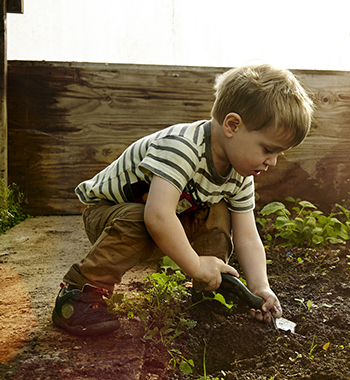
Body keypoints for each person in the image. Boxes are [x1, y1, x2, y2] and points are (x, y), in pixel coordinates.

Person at [51, 64, 314, 336]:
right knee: (141, 218)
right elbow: (157, 216)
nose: (272, 161)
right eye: (268, 149)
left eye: (279, 153)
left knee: (219, 211)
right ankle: (79, 292)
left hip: (163, 221)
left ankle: (210, 289)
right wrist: (196, 265)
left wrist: (260, 288)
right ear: (233, 125)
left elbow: (247, 236)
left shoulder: (240, 173)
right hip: (109, 218)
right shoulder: (182, 147)